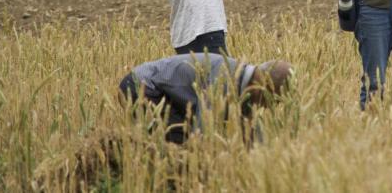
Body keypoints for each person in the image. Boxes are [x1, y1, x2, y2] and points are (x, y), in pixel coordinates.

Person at [119, 53, 293, 144]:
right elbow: (203, 133)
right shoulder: (225, 81)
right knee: (177, 144)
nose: (269, 106)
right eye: (273, 99)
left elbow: (250, 128)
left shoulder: (244, 85)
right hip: (141, 86)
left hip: (162, 92)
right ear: (264, 84)